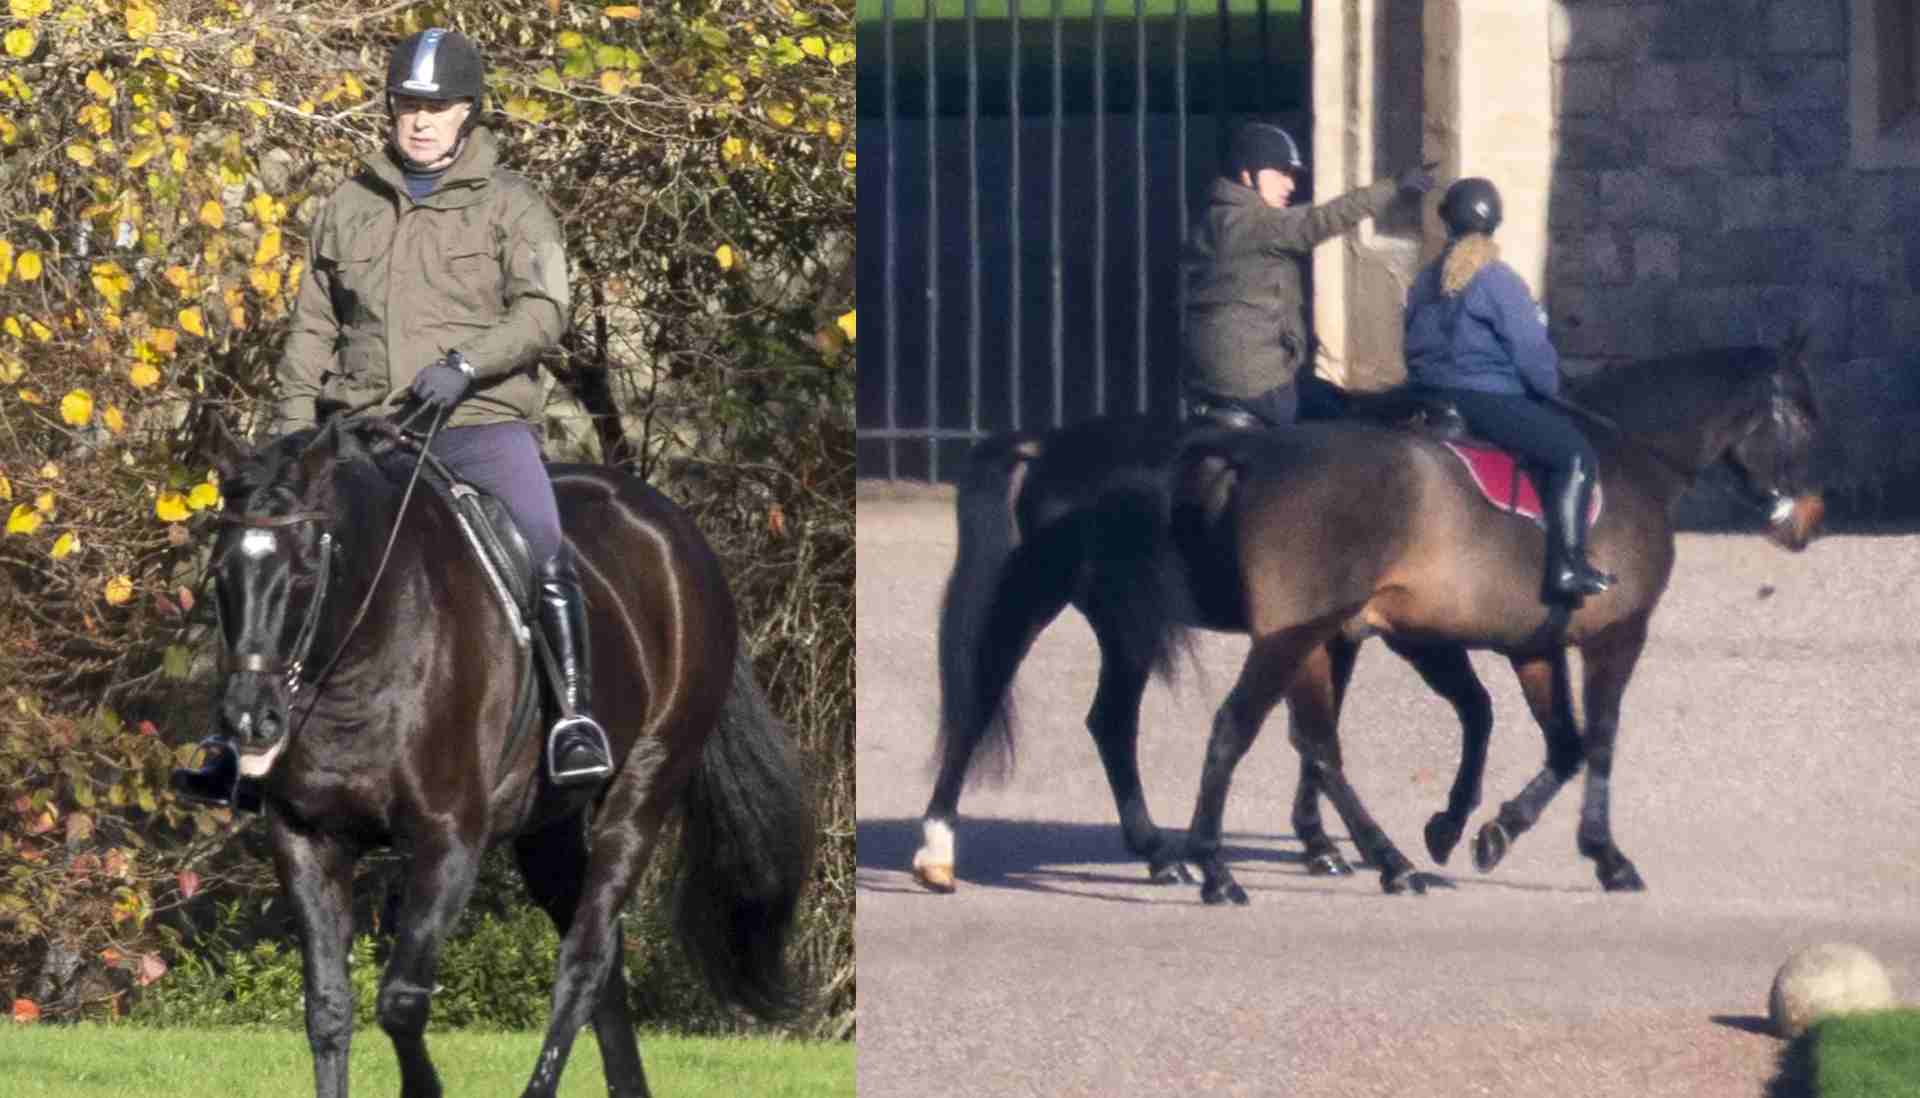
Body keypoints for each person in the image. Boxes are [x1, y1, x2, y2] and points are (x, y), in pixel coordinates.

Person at [174, 28, 612, 809]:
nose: (419, 121)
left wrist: (467, 366)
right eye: (408, 105)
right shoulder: (348, 206)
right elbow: (313, 328)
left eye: (436, 107)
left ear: (468, 114)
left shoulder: (513, 205)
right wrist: (293, 433)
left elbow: (544, 311)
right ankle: (232, 734)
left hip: (477, 423)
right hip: (362, 430)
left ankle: (573, 720)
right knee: (264, 551)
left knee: (543, 540)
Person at [1402, 176, 1615, 600]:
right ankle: (1567, 565)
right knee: (1574, 454)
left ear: (1446, 223)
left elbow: (1409, 345)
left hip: (1427, 395)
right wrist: (1548, 387)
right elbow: (1531, 350)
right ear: (1495, 226)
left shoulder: (1425, 279)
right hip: (1485, 398)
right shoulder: (1497, 280)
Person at [1183, 120, 1435, 428]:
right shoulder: (1251, 224)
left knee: (1332, 398)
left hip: (1220, 378)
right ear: (1247, 175)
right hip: (1253, 381)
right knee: (1355, 427)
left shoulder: (1215, 219)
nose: (1290, 185)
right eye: (1280, 173)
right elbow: (1319, 220)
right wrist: (1393, 187)